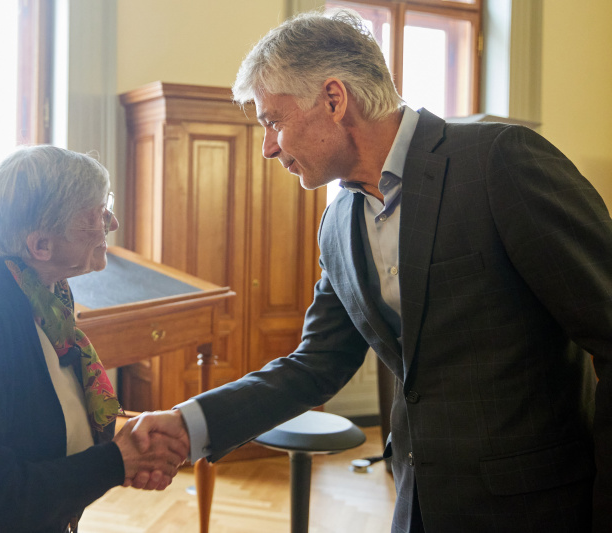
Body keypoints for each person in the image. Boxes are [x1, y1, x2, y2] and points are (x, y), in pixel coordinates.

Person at [131, 9, 612, 533]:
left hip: (540, 509)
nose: (268, 146)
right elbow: (316, 365)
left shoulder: (499, 162)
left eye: (273, 120)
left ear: (334, 100)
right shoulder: (338, 222)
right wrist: (187, 425)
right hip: (417, 506)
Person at [0, 146, 188, 533]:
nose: (112, 222)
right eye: (95, 213)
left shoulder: (45, 294)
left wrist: (130, 437)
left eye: (105, 206)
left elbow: (44, 417)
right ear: (41, 245)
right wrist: (116, 462)